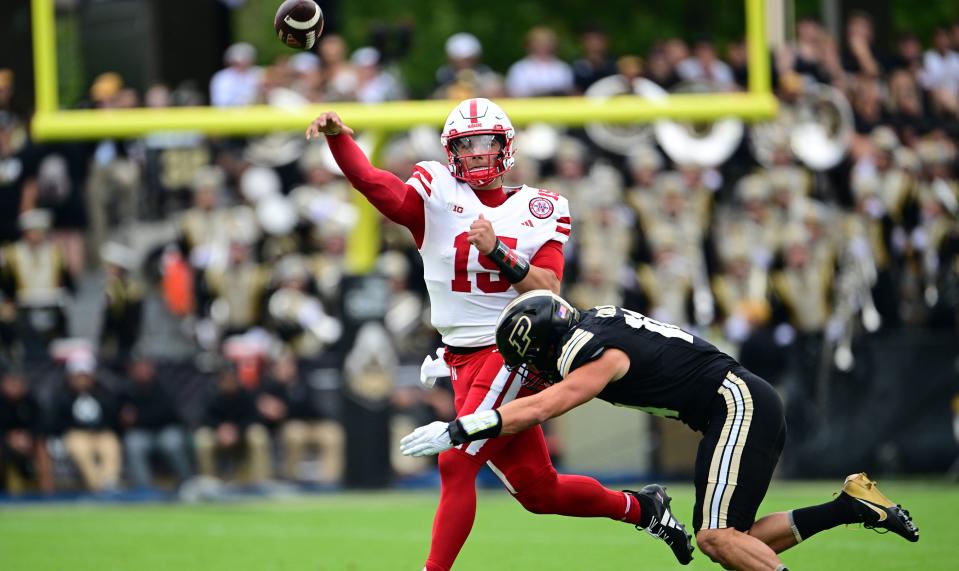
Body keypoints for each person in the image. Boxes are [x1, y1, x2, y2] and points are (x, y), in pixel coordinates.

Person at [305, 98, 693, 570]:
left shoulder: (539, 208)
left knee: (455, 460)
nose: (476, 153)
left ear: (505, 147)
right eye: (465, 144)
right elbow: (373, 182)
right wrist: (339, 138)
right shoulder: (435, 193)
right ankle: (645, 509)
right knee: (538, 490)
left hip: (514, 351)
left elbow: (549, 289)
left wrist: (496, 251)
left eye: (486, 142)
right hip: (461, 360)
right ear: (451, 151)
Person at [401, 291, 921, 571]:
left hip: (734, 403)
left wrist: (464, 425)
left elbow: (546, 403)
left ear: (542, 344)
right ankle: (851, 505)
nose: (530, 369)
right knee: (728, 540)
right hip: (739, 401)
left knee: (717, 538)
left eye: (529, 359)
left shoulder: (589, 355)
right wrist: (454, 368)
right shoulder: (592, 320)